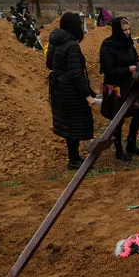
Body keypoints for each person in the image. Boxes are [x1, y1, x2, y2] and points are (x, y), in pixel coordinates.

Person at [46, 12, 96, 170]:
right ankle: (74, 161)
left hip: (58, 88)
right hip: (70, 90)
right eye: (79, 24)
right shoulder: (72, 45)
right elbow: (76, 74)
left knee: (68, 124)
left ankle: (73, 158)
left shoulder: (55, 41)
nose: (81, 27)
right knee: (75, 123)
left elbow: (49, 64)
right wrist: (87, 95)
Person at [99, 17, 139, 162]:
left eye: (128, 29)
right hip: (115, 87)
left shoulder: (129, 44)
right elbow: (108, 70)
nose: (127, 33)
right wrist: (128, 69)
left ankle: (131, 144)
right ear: (116, 30)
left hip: (131, 86)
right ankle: (119, 149)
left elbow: (135, 58)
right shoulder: (107, 46)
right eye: (124, 30)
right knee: (118, 119)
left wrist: (138, 66)